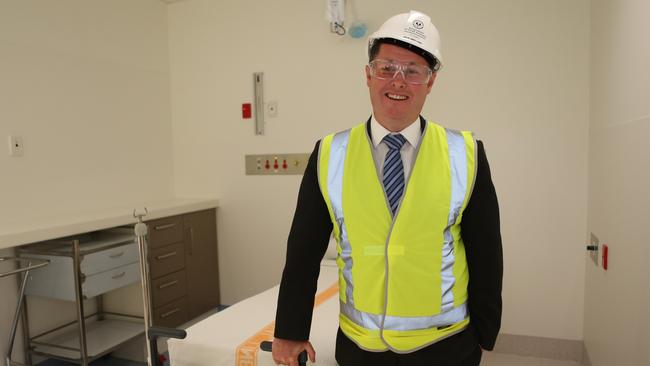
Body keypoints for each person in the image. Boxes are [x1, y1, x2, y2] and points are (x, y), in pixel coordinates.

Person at [272, 10, 502, 366]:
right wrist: (290, 331)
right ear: (368, 75)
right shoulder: (330, 154)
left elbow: (486, 253)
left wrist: (485, 334)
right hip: (360, 347)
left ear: (431, 82)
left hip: (447, 346)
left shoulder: (466, 154)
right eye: (386, 67)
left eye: (413, 71)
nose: (398, 81)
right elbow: (303, 251)